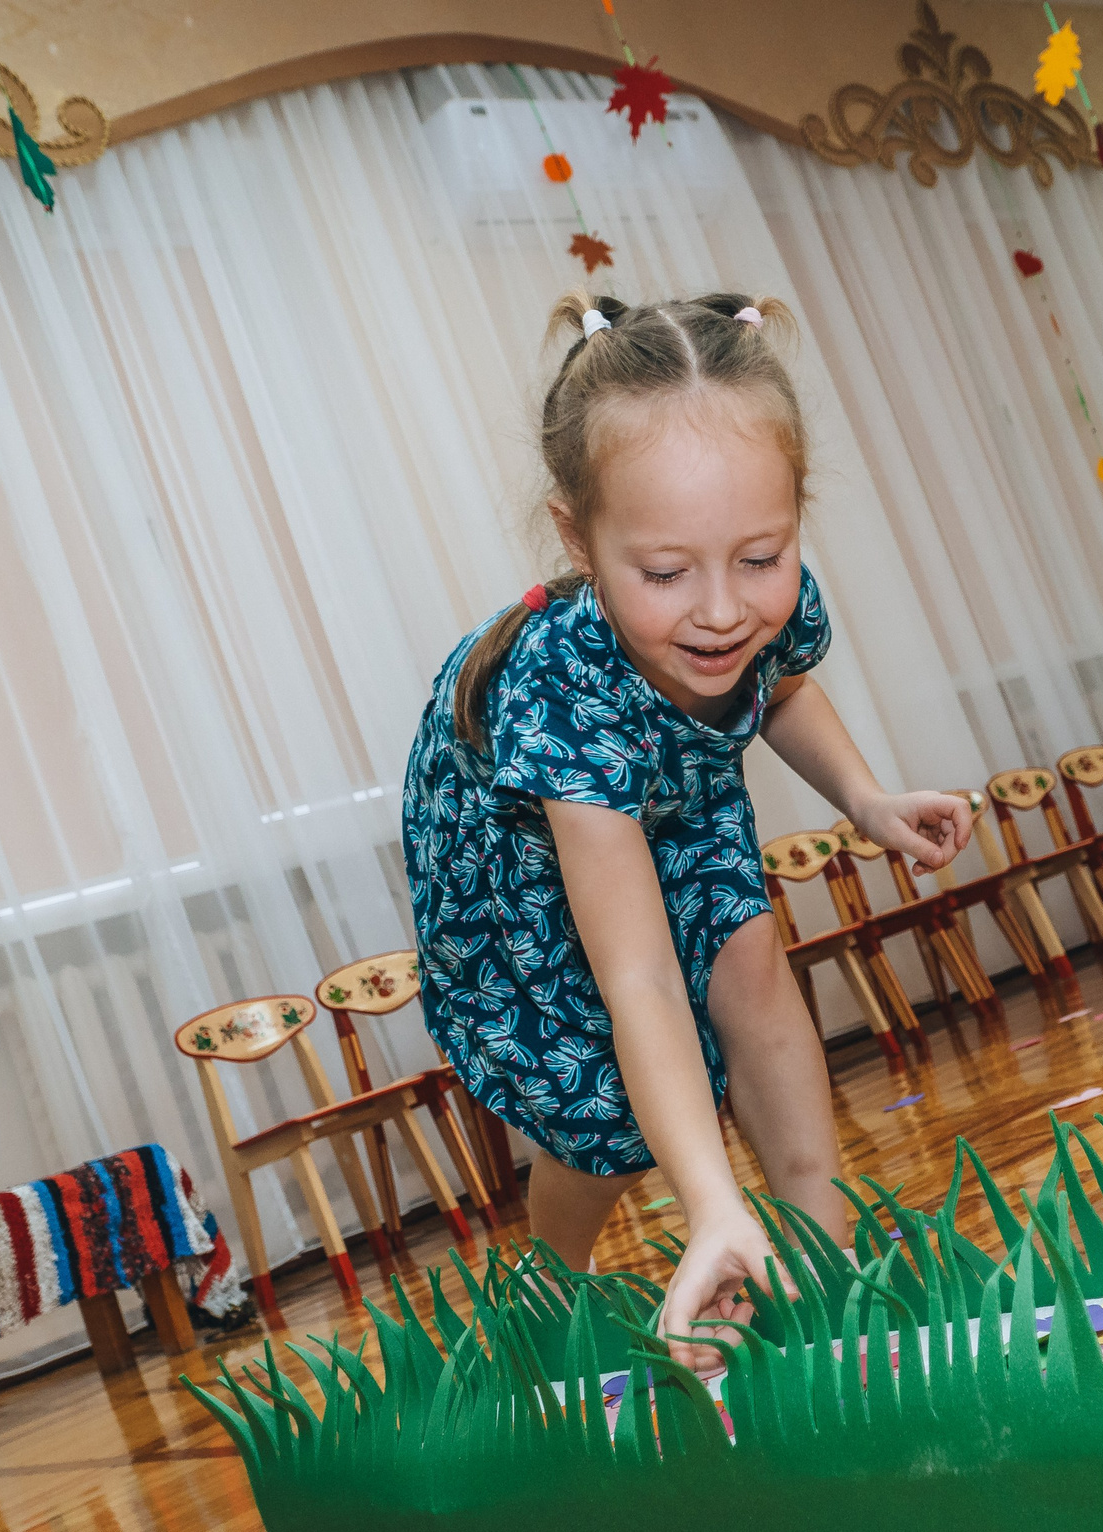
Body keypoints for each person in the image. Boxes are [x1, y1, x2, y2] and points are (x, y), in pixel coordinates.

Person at [401, 292, 972, 1367]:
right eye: (665, 575)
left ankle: (822, 1279)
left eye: (759, 556)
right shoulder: (559, 688)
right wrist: (705, 1199)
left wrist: (867, 800)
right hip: (518, 839)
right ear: (579, 538)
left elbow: (784, 689)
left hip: (682, 779)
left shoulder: (763, 600)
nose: (721, 610)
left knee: (755, 979)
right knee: (609, 1110)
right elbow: (644, 983)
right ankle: (547, 1287)